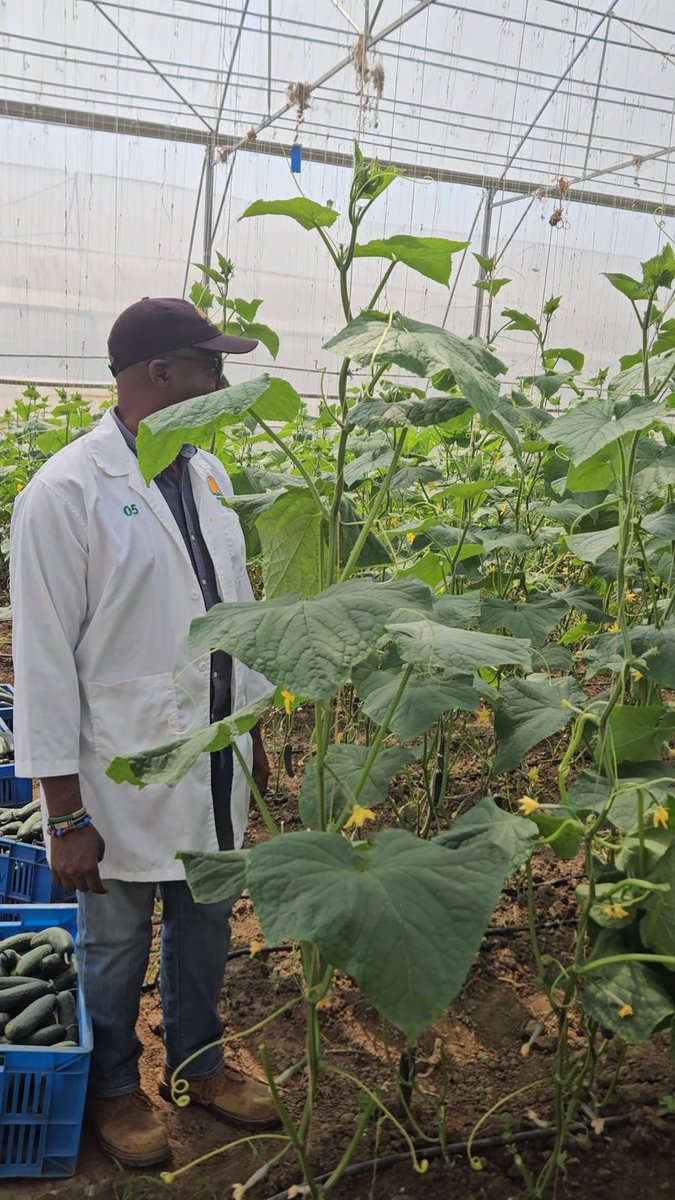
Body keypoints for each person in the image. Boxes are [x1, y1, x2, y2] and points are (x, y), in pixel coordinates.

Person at [10, 298, 279, 1168]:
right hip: (119, 770)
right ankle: (116, 1088)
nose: (222, 382)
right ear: (160, 376)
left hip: (214, 751)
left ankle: (200, 1064)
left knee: (206, 924)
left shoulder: (204, 474)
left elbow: (234, 609)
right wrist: (63, 813)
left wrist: (257, 727)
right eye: (208, 366)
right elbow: (44, 660)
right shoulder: (65, 492)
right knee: (117, 941)